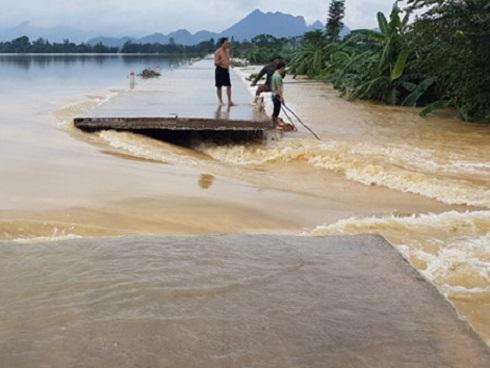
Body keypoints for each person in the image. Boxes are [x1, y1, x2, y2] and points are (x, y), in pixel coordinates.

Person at [271, 61, 294, 131]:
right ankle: (274, 125)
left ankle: (274, 123)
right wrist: (281, 98)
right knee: (276, 111)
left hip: (273, 95)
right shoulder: (278, 77)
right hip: (277, 96)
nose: (284, 70)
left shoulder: (274, 74)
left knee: (276, 110)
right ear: (281, 68)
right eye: (284, 69)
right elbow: (279, 88)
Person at [214, 37, 235, 107]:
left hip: (226, 70)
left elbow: (228, 60)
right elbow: (215, 63)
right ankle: (220, 101)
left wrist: (229, 65)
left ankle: (229, 100)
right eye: (226, 43)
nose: (227, 44)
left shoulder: (227, 51)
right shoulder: (217, 52)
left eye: (228, 43)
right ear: (222, 44)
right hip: (219, 70)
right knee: (219, 86)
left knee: (229, 86)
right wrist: (221, 60)